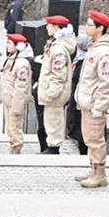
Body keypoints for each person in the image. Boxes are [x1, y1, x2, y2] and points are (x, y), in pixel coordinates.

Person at [74, 10, 109, 188]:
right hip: (87, 101)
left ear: (100, 28)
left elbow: (106, 82)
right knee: (89, 138)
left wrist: (100, 105)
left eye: (90, 25)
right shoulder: (94, 47)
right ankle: (93, 168)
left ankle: (100, 173)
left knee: (95, 139)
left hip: (95, 104)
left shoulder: (105, 52)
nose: (87, 27)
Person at [37, 16, 76, 156]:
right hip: (50, 91)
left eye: (50, 25)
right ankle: (51, 146)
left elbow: (58, 75)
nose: (47, 28)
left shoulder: (58, 49)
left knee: (54, 120)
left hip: (54, 93)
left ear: (57, 28)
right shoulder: (55, 45)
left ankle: (54, 148)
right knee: (50, 120)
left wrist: (52, 93)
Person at [0, 33, 33, 155]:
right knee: (9, 127)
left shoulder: (22, 63)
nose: (7, 45)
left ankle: (16, 147)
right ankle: (13, 144)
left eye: (10, 43)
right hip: (9, 99)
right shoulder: (12, 59)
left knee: (15, 126)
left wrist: (17, 106)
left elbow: (21, 87)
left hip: (15, 101)